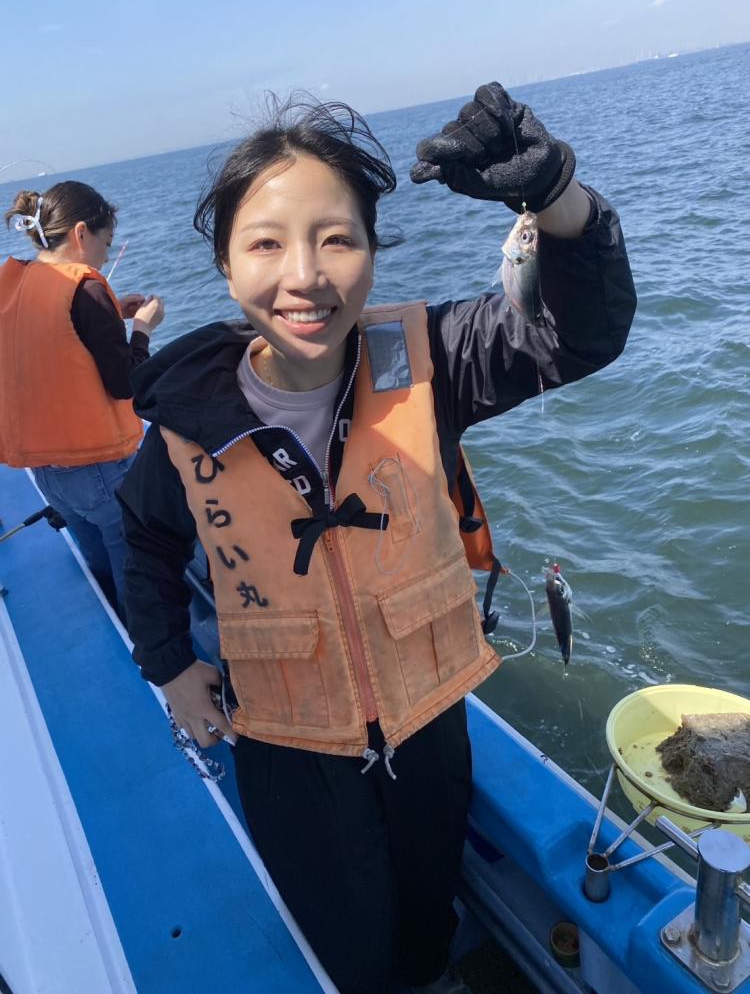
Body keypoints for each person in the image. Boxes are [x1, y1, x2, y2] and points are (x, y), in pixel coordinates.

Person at [117, 83, 636, 994]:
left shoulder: (433, 360)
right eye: (266, 243)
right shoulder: (187, 420)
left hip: (427, 721)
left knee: (430, 912)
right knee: (343, 939)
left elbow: (580, 334)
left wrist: (557, 199)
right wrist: (168, 663)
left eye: (337, 238)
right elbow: (143, 535)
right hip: (285, 743)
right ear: (226, 267)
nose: (304, 275)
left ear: (371, 250)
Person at [0, 181, 164, 613]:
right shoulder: (88, 291)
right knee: (134, 569)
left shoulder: (12, 282)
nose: (105, 256)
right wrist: (142, 329)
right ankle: (146, 640)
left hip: (48, 473)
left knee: (100, 566)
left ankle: (117, 624)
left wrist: (114, 315)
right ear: (80, 233)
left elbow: (53, 340)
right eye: (105, 243)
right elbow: (126, 383)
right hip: (101, 471)